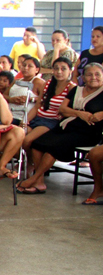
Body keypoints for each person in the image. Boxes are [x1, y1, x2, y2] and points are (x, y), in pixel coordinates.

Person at [19, 63, 103, 194]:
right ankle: (39, 181)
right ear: (83, 77)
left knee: (54, 146)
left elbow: (68, 111)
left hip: (88, 132)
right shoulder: (77, 90)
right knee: (36, 143)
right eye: (89, 74)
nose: (93, 77)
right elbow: (62, 109)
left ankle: (34, 178)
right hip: (67, 127)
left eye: (97, 74)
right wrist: (80, 113)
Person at [23, 57, 75, 154]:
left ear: (70, 70)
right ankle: (30, 163)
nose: (59, 71)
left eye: (63, 69)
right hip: (38, 118)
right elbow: (37, 106)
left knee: (27, 140)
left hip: (51, 122)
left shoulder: (71, 87)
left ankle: (29, 164)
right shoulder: (48, 84)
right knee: (19, 136)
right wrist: (26, 121)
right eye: (56, 68)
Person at [6, 55, 45, 125]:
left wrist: (31, 99)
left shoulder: (39, 82)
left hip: (23, 118)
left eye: (30, 66)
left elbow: (45, 99)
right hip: (8, 115)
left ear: (37, 69)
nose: (26, 68)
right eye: (24, 65)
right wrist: (11, 99)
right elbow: (3, 96)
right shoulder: (16, 81)